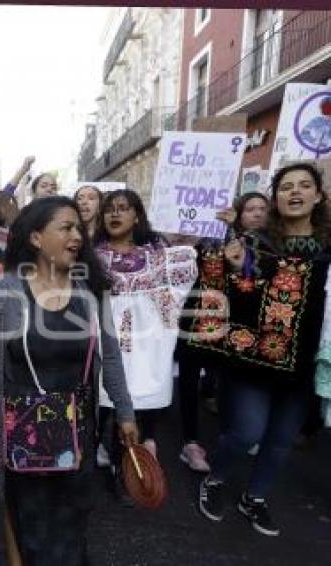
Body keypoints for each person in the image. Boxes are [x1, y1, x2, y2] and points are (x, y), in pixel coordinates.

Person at [0, 196, 137, 565]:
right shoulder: (5, 292)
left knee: (72, 521)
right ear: (36, 238)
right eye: (65, 228)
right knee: (30, 519)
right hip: (21, 428)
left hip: (79, 428)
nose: (77, 236)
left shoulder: (90, 290)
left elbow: (110, 355)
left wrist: (126, 413)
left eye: (78, 228)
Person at [197, 163, 331, 536]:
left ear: (319, 196)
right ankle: (215, 478)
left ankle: (254, 497)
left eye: (305, 185)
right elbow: (237, 297)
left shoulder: (327, 249)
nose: (295, 192)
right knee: (246, 432)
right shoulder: (256, 243)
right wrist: (239, 267)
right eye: (286, 186)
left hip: (306, 362)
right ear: (276, 197)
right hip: (256, 356)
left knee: (280, 442)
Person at [94, 189, 197, 464]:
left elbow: (175, 290)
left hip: (144, 344)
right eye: (109, 209)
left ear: (137, 215)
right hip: (102, 339)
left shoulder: (158, 256)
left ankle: (124, 467)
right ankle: (93, 460)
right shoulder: (89, 257)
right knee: (97, 404)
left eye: (123, 208)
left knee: (131, 412)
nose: (115, 213)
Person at [177, 192, 270, 473]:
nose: (256, 213)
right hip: (197, 316)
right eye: (249, 208)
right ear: (238, 213)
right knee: (189, 378)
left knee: (229, 380)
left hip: (236, 323)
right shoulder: (210, 240)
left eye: (262, 208)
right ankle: (190, 441)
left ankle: (231, 435)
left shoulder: (271, 246)